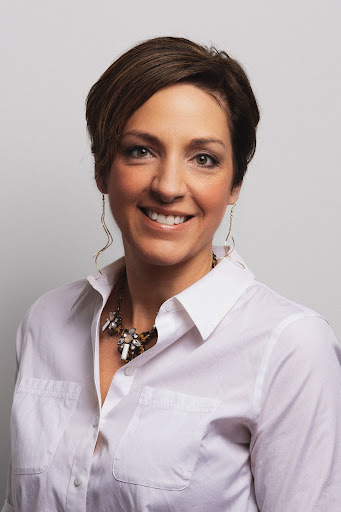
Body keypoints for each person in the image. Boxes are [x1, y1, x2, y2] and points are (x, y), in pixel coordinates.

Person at [2, 36, 341, 512]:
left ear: (234, 184)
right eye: (141, 150)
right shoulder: (45, 322)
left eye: (204, 158)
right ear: (102, 168)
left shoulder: (289, 347)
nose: (167, 186)